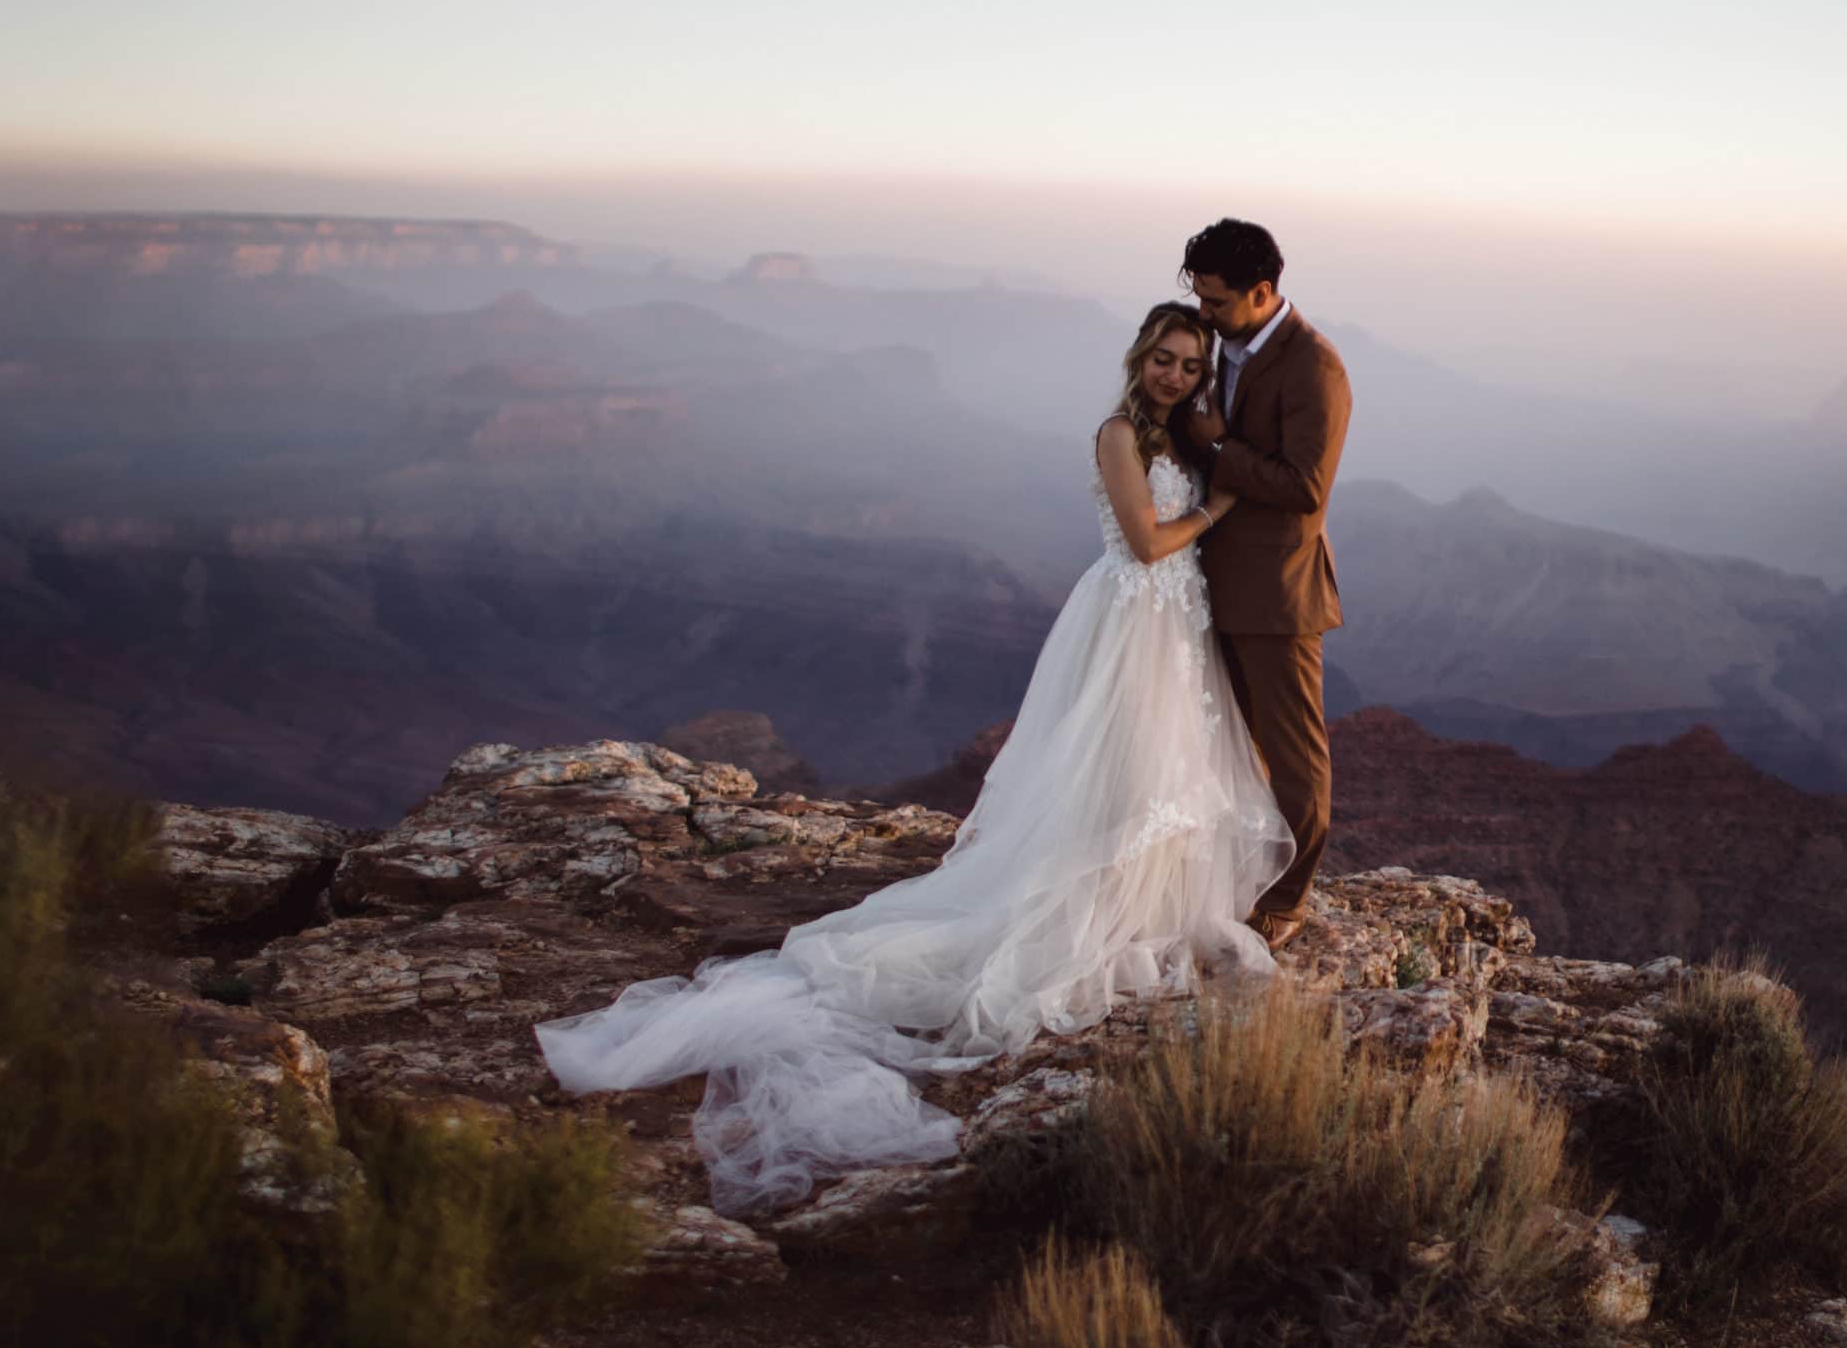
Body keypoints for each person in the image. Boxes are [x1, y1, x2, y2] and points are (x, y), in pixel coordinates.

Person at [536, 301, 1294, 1215]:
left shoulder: (1182, 432)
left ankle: (1148, 901)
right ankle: (1094, 903)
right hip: (1132, 622)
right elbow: (1144, 541)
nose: (1175, 374)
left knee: (1163, 775)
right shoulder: (1118, 435)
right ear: (1140, 359)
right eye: (1164, 359)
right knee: (1120, 767)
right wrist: (1217, 506)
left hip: (1177, 629)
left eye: (1190, 363)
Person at [1173, 220, 1352, 948]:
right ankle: (1232, 875)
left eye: (1216, 302)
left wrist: (1215, 445)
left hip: (1276, 593)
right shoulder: (1220, 346)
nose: (1204, 313)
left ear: (1263, 292)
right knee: (1229, 748)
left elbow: (1305, 487)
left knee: (1292, 757)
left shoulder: (1315, 368)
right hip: (1204, 576)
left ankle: (1288, 897)